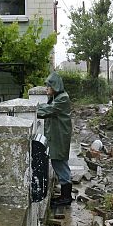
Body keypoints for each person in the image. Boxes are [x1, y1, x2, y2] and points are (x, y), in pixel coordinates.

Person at [37, 72, 73, 206]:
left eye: (49, 86)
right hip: (57, 135)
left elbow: (47, 111)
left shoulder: (62, 98)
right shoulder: (57, 97)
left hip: (59, 135)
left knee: (60, 163)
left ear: (55, 86)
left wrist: (33, 110)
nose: (46, 88)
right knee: (59, 161)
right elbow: (48, 108)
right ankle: (65, 195)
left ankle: (66, 197)